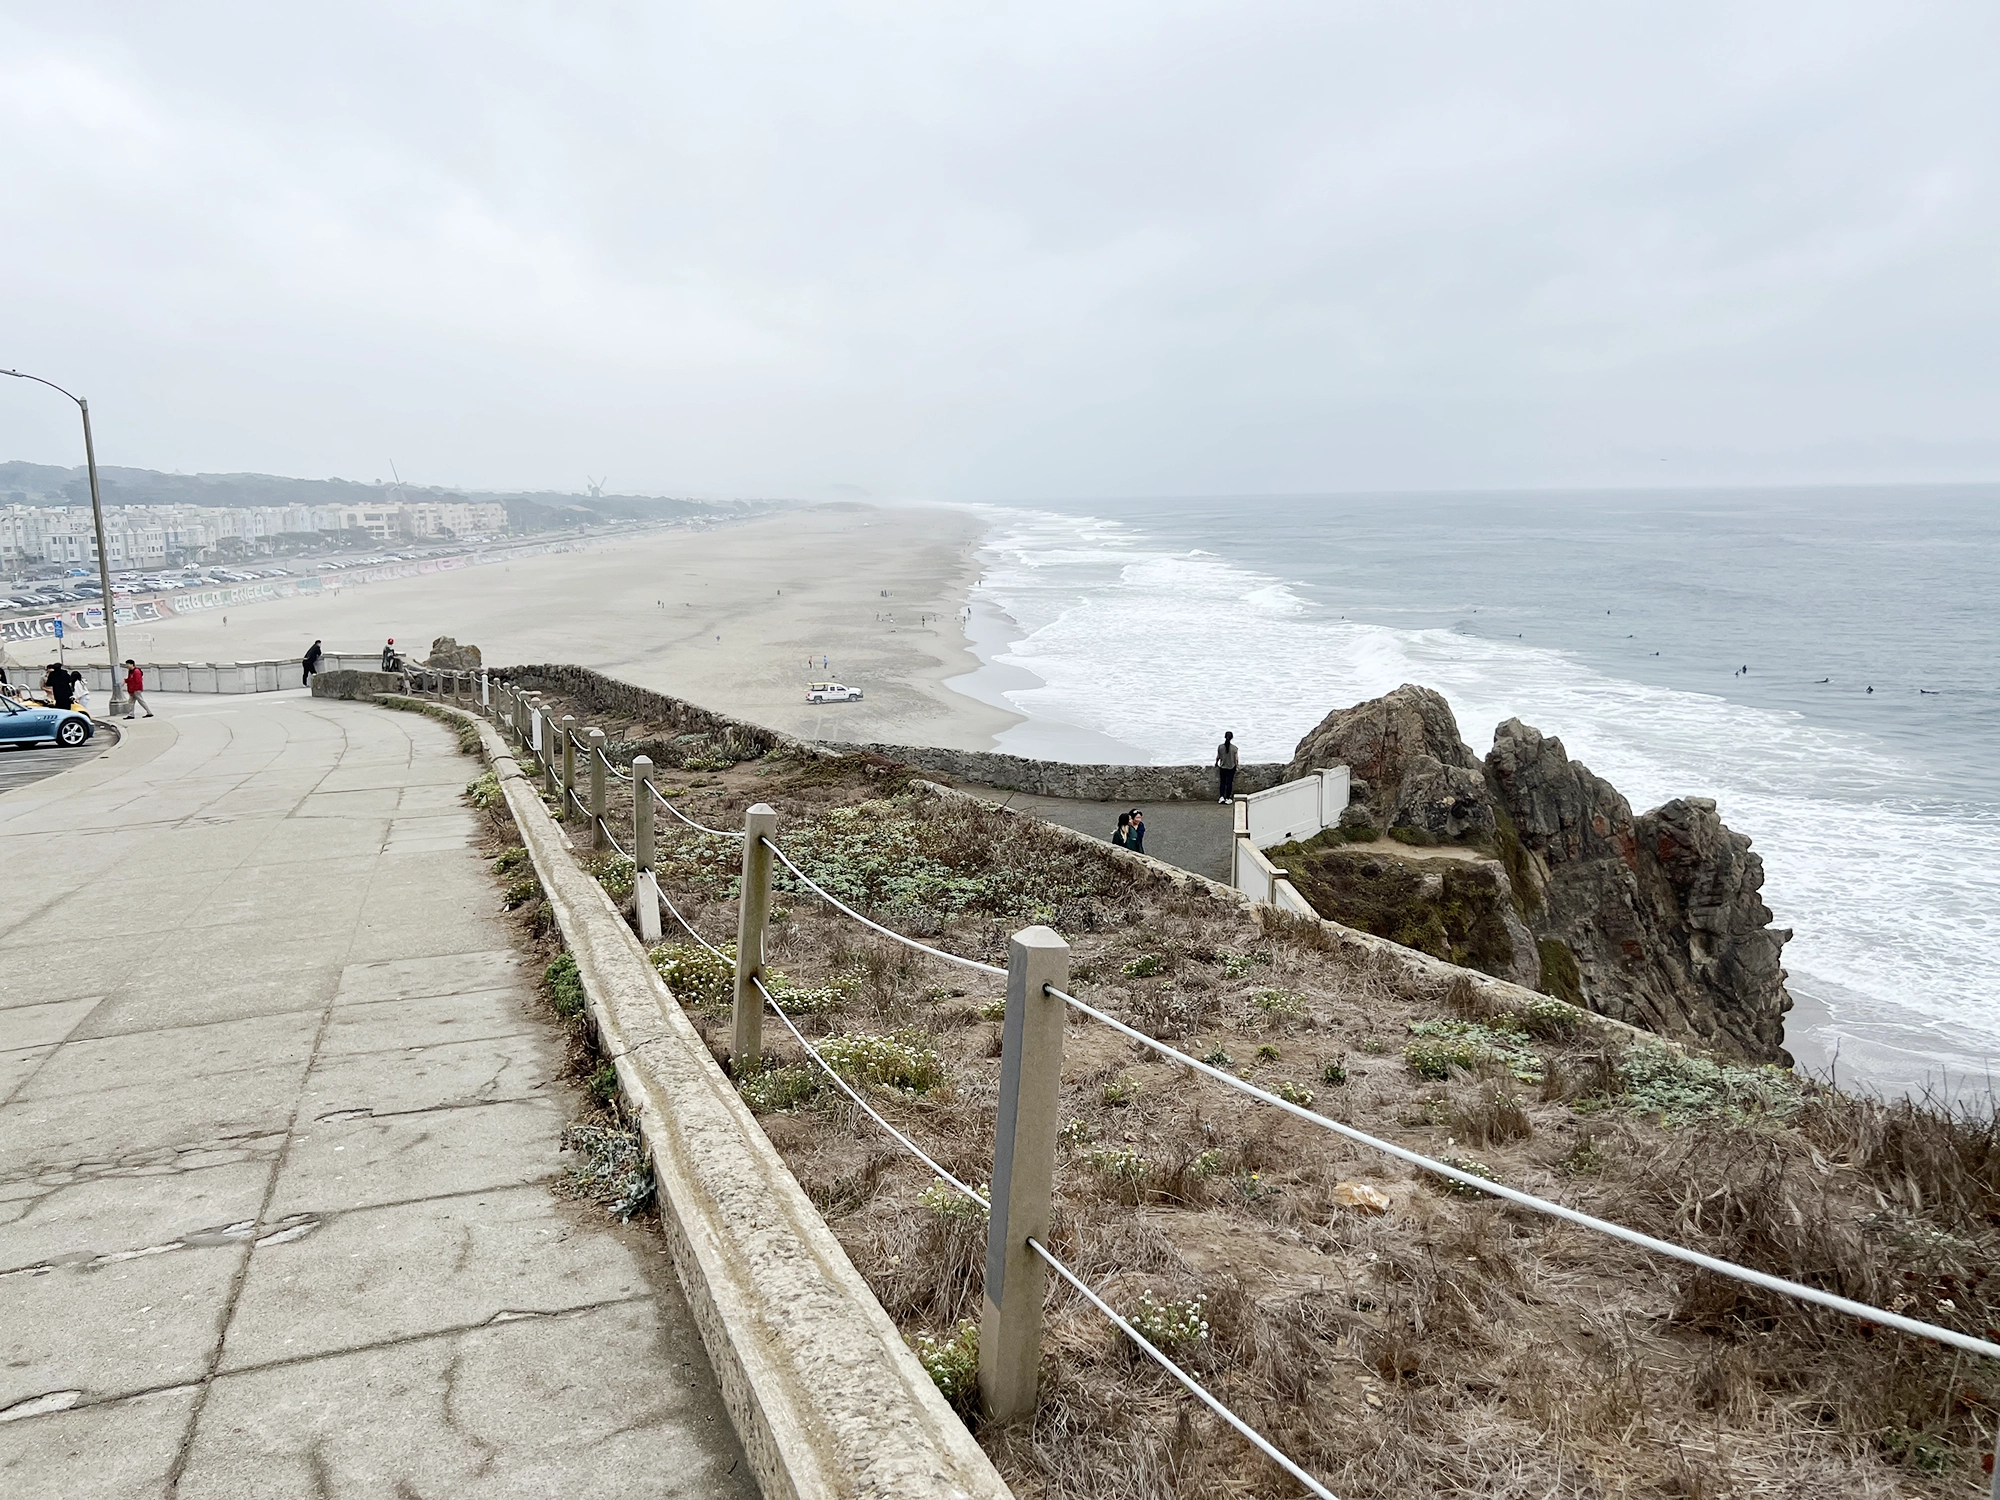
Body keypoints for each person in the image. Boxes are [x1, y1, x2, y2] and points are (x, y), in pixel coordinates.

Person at [1215, 731, 1239, 803]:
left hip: (1222, 767)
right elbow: (1236, 759)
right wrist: (1237, 766)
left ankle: (1221, 797)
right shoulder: (1235, 748)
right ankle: (1228, 798)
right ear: (1232, 738)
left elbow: (1218, 757)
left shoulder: (1220, 747)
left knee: (1222, 782)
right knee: (1229, 783)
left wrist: (1216, 763)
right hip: (1231, 768)